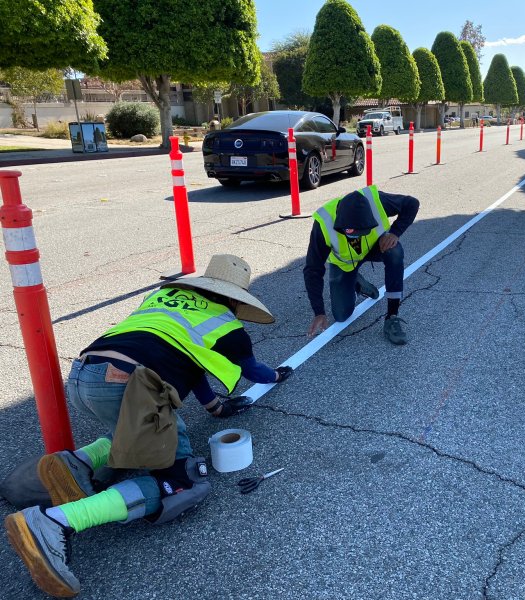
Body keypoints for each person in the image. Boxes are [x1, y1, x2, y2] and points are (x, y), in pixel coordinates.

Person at [4, 254, 291, 598]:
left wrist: (214, 408)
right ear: (236, 298)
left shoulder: (166, 298)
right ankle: (56, 522)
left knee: (136, 432)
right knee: (185, 479)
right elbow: (253, 371)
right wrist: (277, 375)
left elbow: (188, 362)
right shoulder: (228, 327)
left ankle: (77, 463)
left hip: (86, 373)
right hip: (129, 386)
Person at [304, 185, 419, 345]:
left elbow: (411, 203)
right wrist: (319, 311)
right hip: (345, 263)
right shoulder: (324, 223)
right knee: (341, 315)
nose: (356, 236)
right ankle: (356, 282)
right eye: (353, 232)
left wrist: (394, 233)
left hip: (374, 248)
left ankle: (392, 317)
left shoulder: (376, 201)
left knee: (395, 252)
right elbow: (313, 270)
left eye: (362, 231)